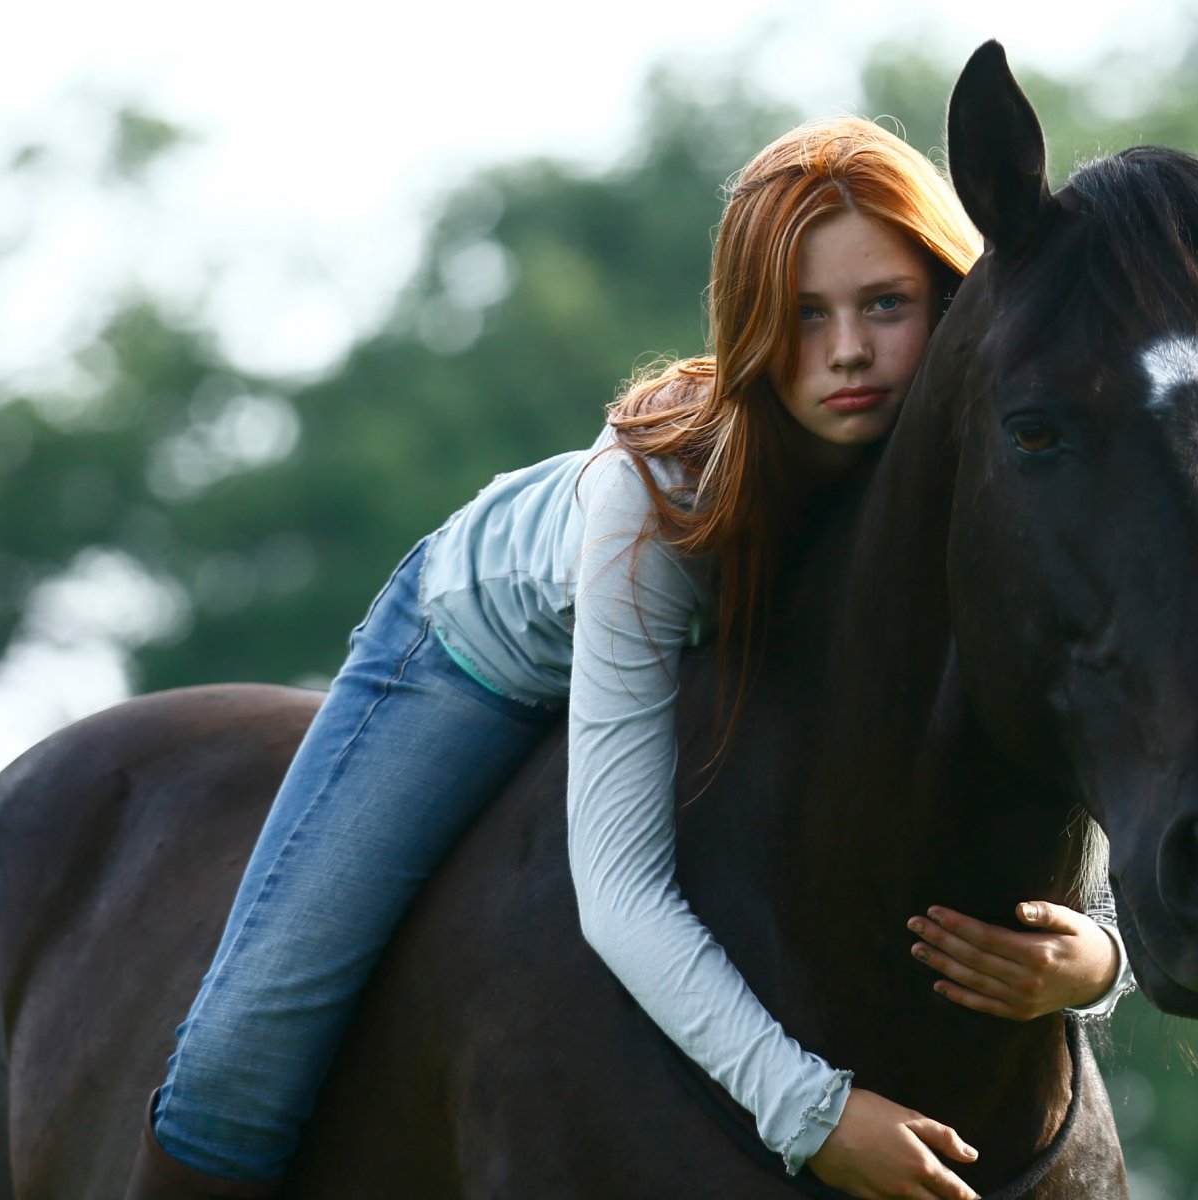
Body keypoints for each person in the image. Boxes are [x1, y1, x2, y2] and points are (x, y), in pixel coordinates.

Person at [126, 115, 1136, 1200]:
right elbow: (616, 891)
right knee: (244, 1048)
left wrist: (1100, 960)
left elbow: (1064, 703)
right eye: (802, 317)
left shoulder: (980, 469)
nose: (846, 351)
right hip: (476, 650)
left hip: (700, 666)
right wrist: (814, 1114)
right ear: (752, 326)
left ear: (948, 301)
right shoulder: (657, 505)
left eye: (883, 305)